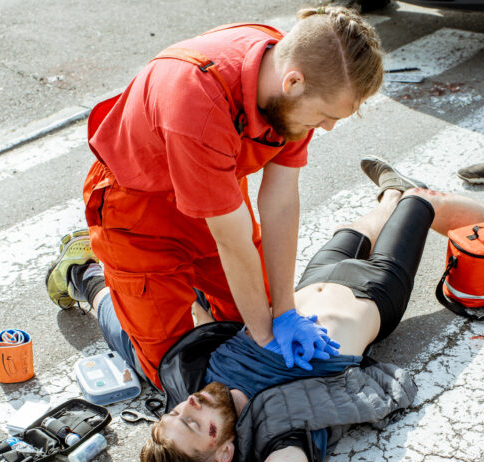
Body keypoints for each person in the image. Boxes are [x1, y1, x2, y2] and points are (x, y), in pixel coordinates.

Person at [77, 158, 484, 462]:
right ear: (225, 455)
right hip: (376, 291)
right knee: (420, 204)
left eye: (178, 413)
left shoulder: (194, 378)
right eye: (197, 425)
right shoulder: (283, 436)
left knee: (367, 224)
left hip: (309, 284)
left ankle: (390, 190)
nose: (189, 405)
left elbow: (146, 333)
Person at [45, 7, 385, 391]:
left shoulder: (293, 75)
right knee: (174, 369)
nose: (327, 127)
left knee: (258, 318)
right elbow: (232, 241)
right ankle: (88, 276)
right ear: (293, 82)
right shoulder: (199, 100)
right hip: (137, 207)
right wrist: (262, 340)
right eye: (324, 115)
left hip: (217, 189)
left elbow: (281, 203)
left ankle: (191, 294)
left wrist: (284, 312)